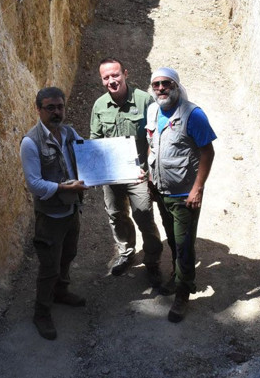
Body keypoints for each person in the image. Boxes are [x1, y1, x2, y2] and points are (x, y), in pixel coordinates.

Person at [145, 67, 216, 322]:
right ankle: (177, 277)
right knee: (174, 241)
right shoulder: (153, 111)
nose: (161, 88)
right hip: (161, 191)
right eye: (156, 85)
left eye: (166, 83)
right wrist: (150, 176)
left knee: (184, 245)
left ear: (176, 85)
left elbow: (207, 152)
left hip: (185, 194)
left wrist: (198, 189)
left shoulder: (193, 114)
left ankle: (183, 292)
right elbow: (152, 144)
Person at [20, 86, 89, 340]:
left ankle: (61, 292)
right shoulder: (30, 142)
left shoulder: (69, 133)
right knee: (49, 267)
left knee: (68, 254)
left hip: (71, 209)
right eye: (50, 108)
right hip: (50, 217)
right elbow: (34, 184)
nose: (56, 112)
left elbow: (87, 154)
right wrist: (63, 187)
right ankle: (41, 312)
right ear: (38, 110)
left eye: (60, 107)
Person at [89, 58, 164, 287]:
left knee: (143, 215)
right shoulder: (99, 106)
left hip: (138, 172)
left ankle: (152, 261)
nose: (112, 80)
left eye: (115, 75)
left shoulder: (144, 100)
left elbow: (155, 137)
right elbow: (95, 140)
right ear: (102, 80)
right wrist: (95, 171)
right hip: (112, 174)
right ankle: (127, 252)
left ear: (125, 74)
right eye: (106, 77)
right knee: (116, 215)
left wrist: (149, 171)